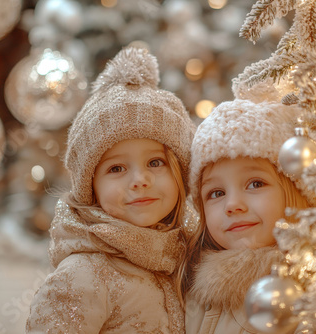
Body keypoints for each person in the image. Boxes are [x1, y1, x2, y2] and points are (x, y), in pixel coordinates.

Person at [26, 47, 195, 334]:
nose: (140, 180)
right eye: (116, 169)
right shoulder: (83, 277)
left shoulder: (189, 260)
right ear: (90, 187)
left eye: (155, 162)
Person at [181, 93, 316, 333]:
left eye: (255, 184)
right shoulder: (192, 293)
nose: (233, 205)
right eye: (216, 193)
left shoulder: (312, 291)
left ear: (294, 190)